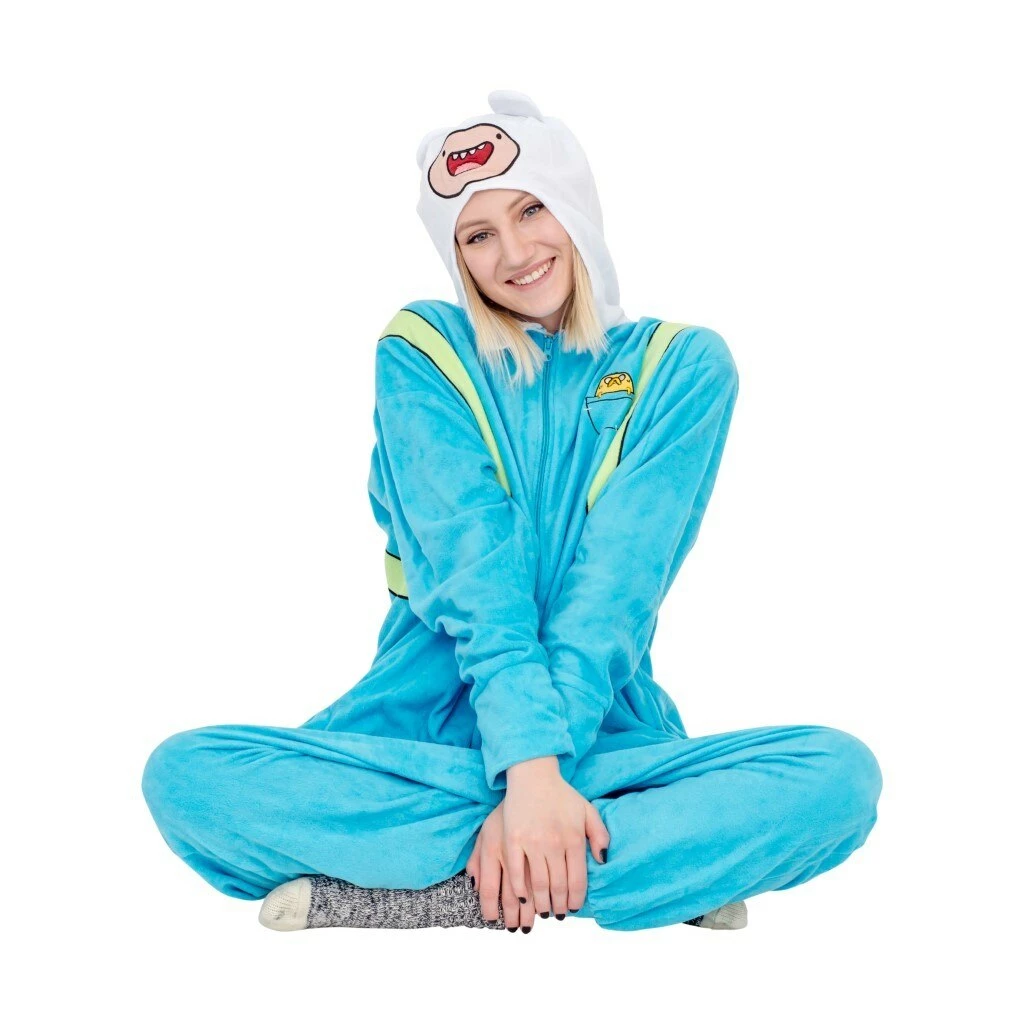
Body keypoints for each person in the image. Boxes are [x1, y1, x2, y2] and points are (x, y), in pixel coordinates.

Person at [140, 91, 883, 935]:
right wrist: (528, 778)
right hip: (410, 746)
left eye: (532, 210)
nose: (516, 252)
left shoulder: (680, 367)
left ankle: (433, 887)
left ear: (576, 207)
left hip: (603, 742)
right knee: (187, 778)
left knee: (840, 780)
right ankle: (620, 865)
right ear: (455, 255)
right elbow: (477, 579)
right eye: (478, 235)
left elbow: (613, 595)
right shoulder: (425, 349)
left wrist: (542, 773)